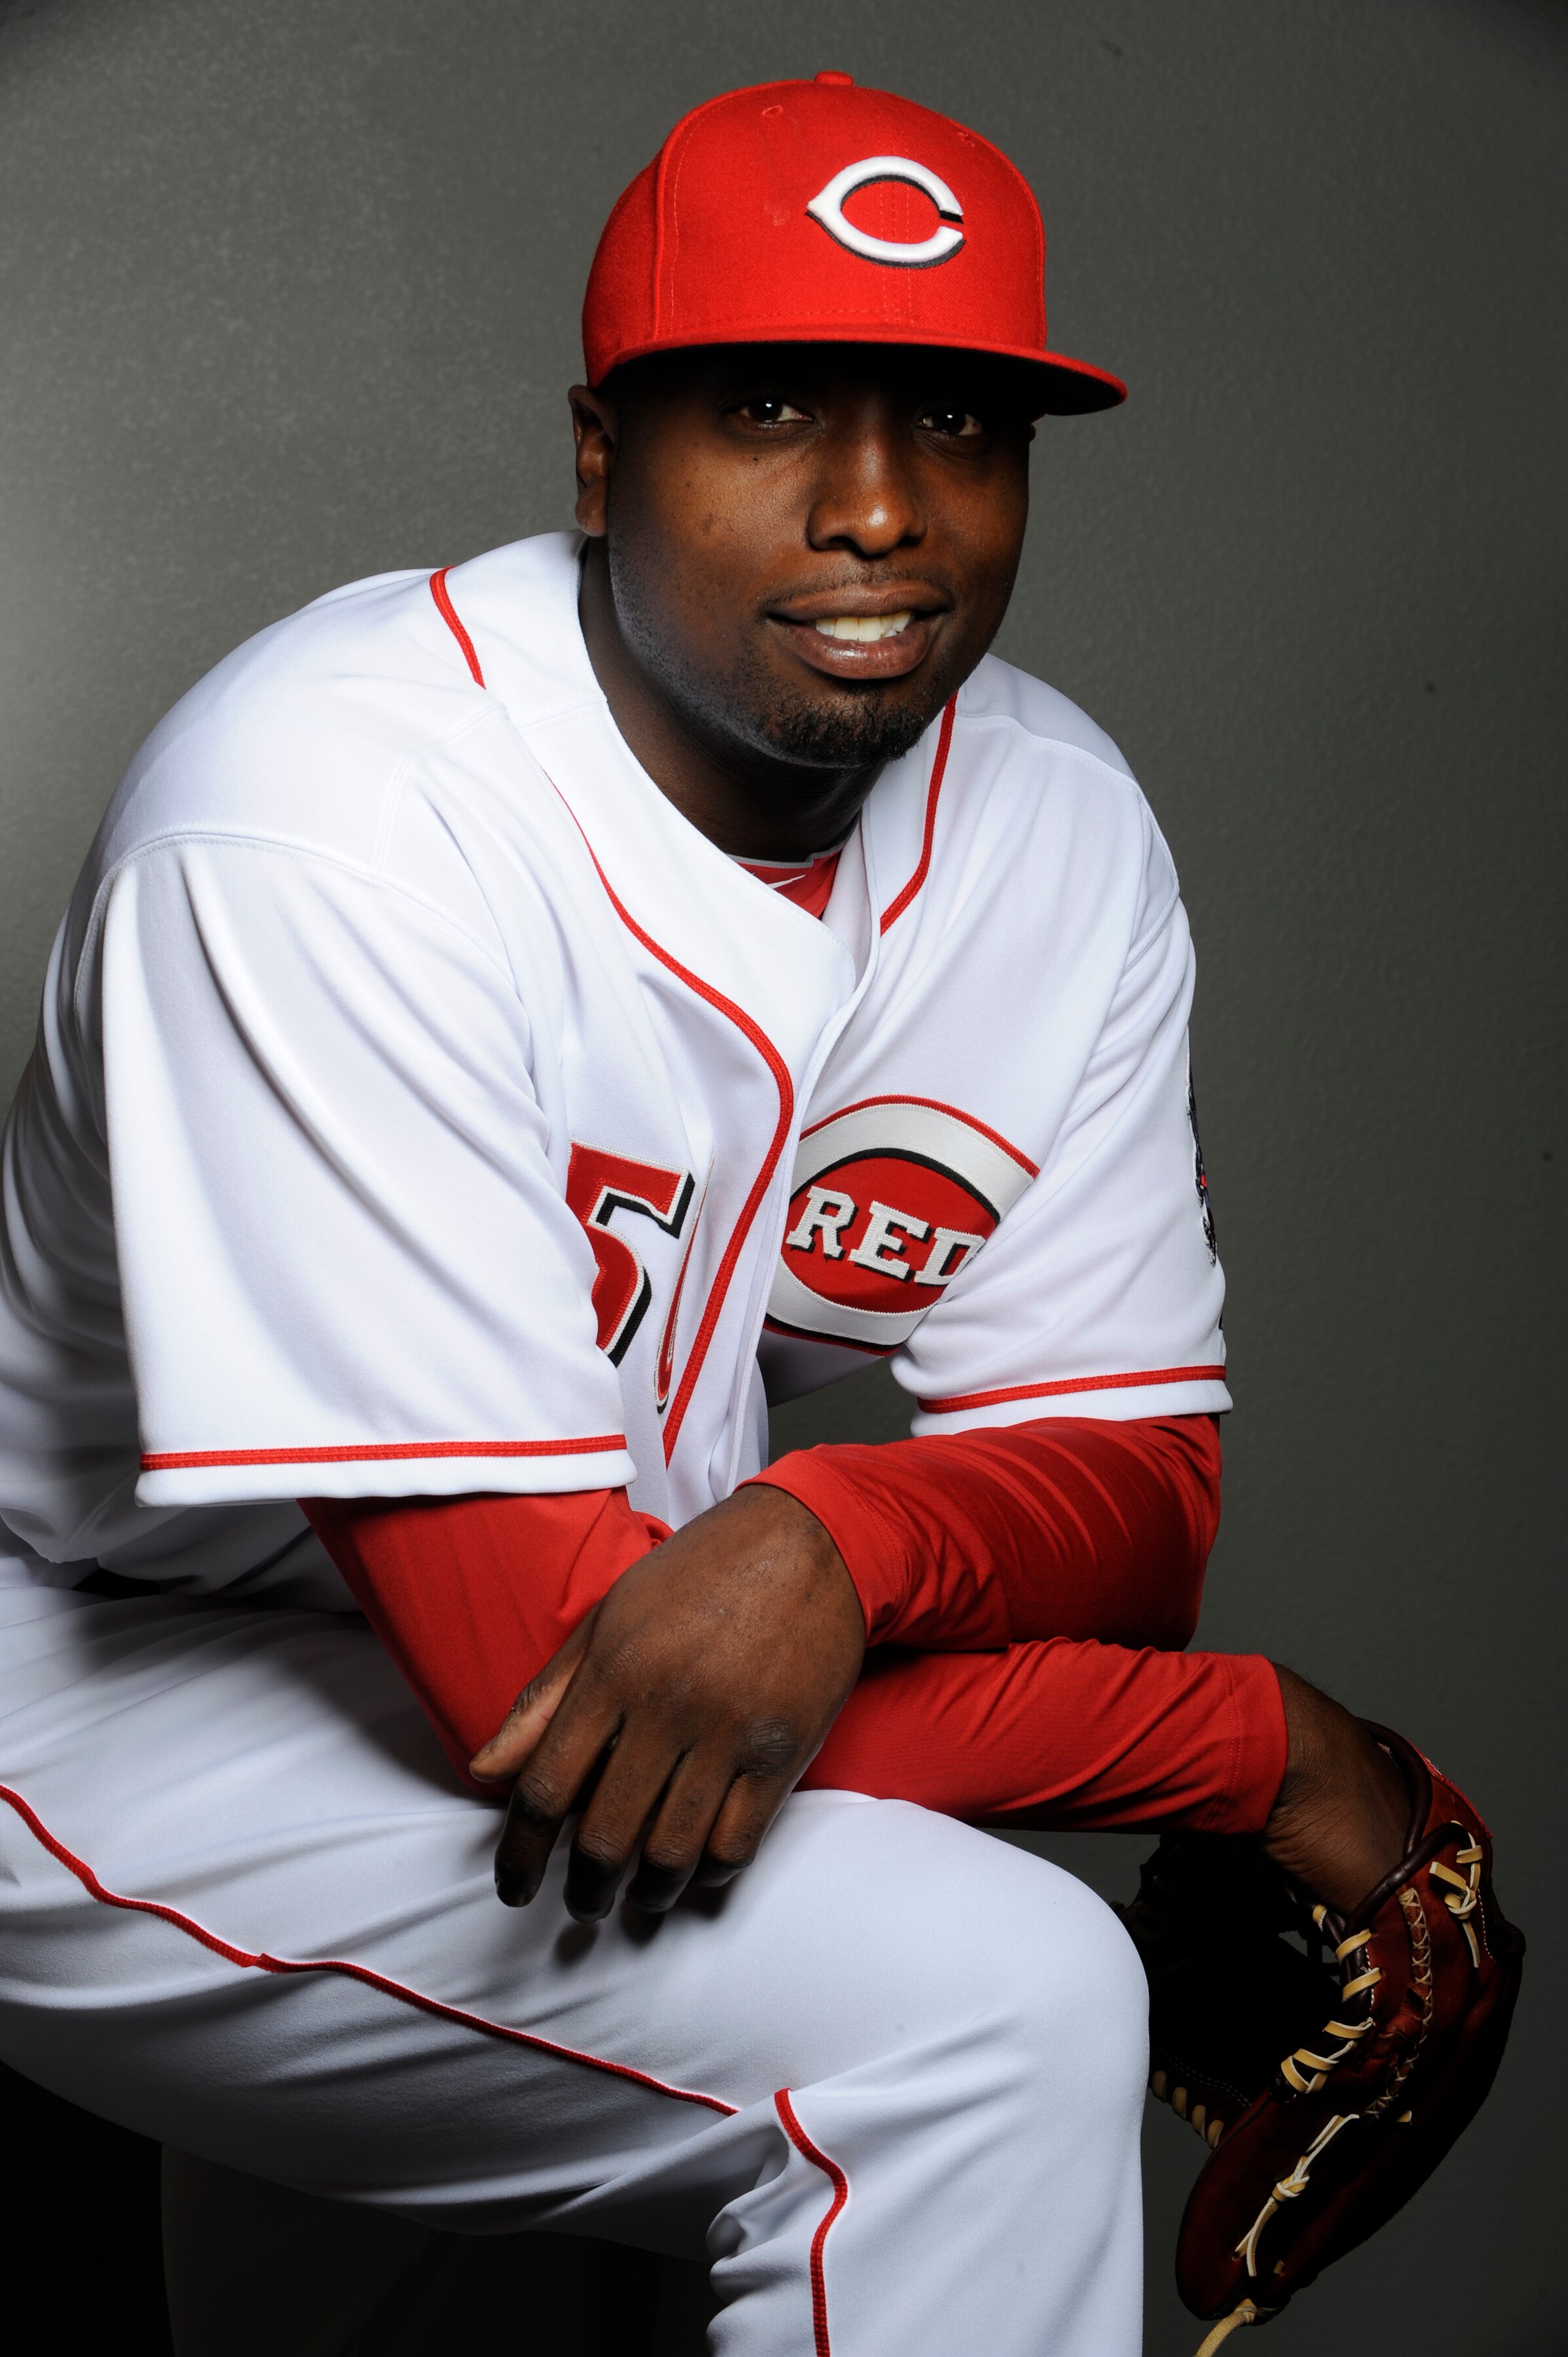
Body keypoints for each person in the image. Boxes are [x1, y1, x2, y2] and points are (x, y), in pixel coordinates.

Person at [0, 73, 1419, 2356]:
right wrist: (1255, 1751)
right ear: (595, 455)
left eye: (960, 422)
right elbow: (547, 1694)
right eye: (766, 407)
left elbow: (1136, 1500)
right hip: (92, 1685)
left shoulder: (1053, 826)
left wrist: (836, 1543)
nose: (879, 509)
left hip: (626, 1612)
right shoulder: (320, 819)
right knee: (983, 2006)